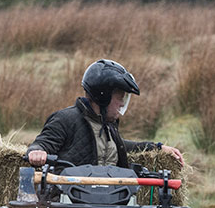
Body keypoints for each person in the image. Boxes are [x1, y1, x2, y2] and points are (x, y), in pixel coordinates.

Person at [26, 59, 185, 168]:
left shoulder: (108, 126)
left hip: (112, 202)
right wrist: (37, 152)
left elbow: (122, 146)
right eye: (119, 98)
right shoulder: (65, 119)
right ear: (103, 96)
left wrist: (157, 147)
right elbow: (43, 142)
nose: (122, 104)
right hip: (70, 204)